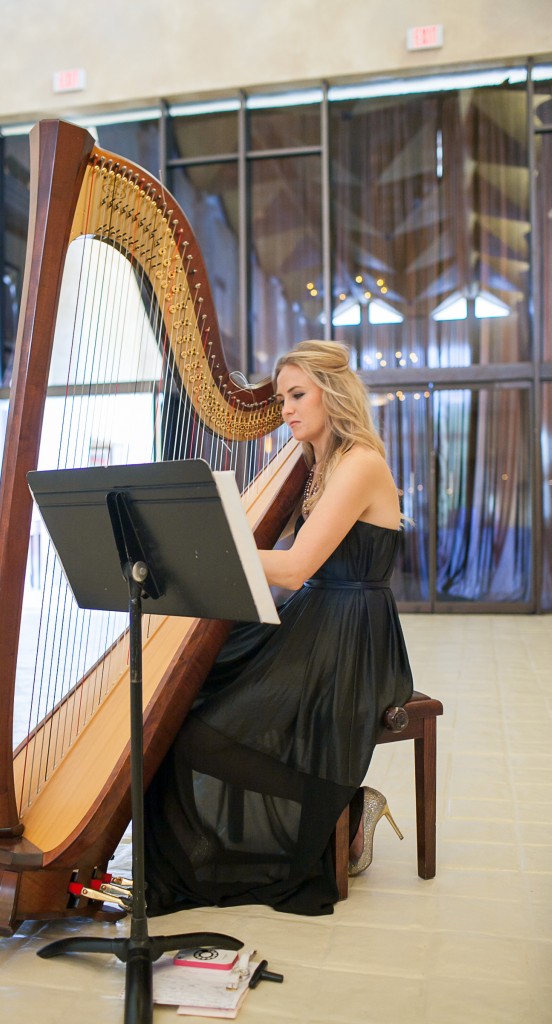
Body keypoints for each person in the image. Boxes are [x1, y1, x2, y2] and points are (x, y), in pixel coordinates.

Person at [144, 340, 414, 917]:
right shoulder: (313, 465)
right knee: (187, 694)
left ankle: (340, 805)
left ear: (331, 393)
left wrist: (200, 547)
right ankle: (336, 806)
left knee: (198, 731)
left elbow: (294, 567)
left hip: (351, 638)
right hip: (314, 620)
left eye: (297, 395)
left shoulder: (360, 461)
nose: (285, 409)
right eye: (281, 398)